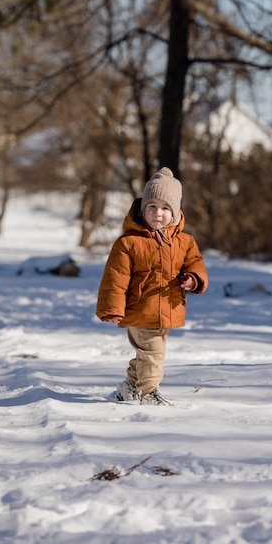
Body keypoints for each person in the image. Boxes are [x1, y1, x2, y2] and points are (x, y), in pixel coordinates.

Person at [96, 167, 208, 405]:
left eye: (166, 208)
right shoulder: (129, 243)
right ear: (142, 209)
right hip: (139, 308)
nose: (158, 213)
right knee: (153, 354)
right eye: (152, 207)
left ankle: (129, 386)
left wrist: (192, 279)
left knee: (148, 354)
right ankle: (148, 393)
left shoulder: (185, 242)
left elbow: (195, 264)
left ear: (176, 212)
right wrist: (112, 308)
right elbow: (116, 277)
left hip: (168, 308)